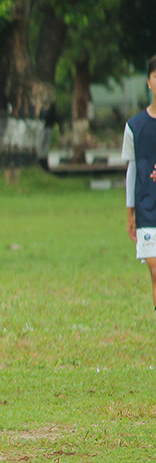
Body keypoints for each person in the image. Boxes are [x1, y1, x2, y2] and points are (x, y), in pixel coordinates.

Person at [123, 54, 156, 320]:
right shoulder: (135, 127)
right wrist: (130, 211)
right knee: (155, 272)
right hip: (147, 206)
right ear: (149, 82)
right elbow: (132, 169)